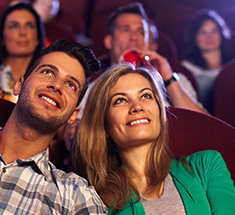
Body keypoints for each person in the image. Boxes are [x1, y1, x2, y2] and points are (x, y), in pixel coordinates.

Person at [0, 39, 107, 214]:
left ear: (73, 114)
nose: (56, 85)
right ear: (19, 84)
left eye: (71, 85)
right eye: (48, 72)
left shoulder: (76, 196)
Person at [73, 63, 235, 214]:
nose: (137, 107)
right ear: (105, 126)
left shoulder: (207, 165)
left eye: (146, 96)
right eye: (120, 100)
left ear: (160, 112)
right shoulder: (94, 199)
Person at [101, 2, 206, 113]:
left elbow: (208, 126)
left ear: (148, 43)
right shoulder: (97, 85)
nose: (134, 37)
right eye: (126, 30)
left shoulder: (177, 80)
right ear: (109, 41)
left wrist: (169, 81)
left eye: (141, 32)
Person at [182, 9, 233, 114]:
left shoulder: (232, 66)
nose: (209, 37)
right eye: (203, 32)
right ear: (195, 37)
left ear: (222, 34)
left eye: (214, 31)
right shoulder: (186, 68)